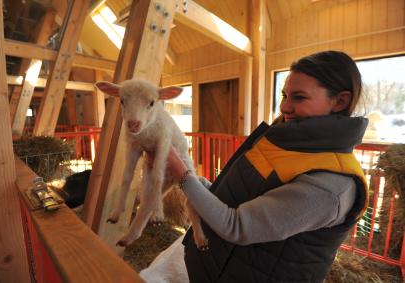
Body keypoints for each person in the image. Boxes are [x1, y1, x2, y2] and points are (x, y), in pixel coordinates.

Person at [144, 50, 369, 283]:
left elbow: (237, 225)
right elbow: (236, 201)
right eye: (284, 95)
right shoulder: (285, 146)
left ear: (340, 101)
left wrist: (182, 174)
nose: (285, 107)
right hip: (219, 268)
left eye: (299, 97)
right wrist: (191, 180)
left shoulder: (330, 186)